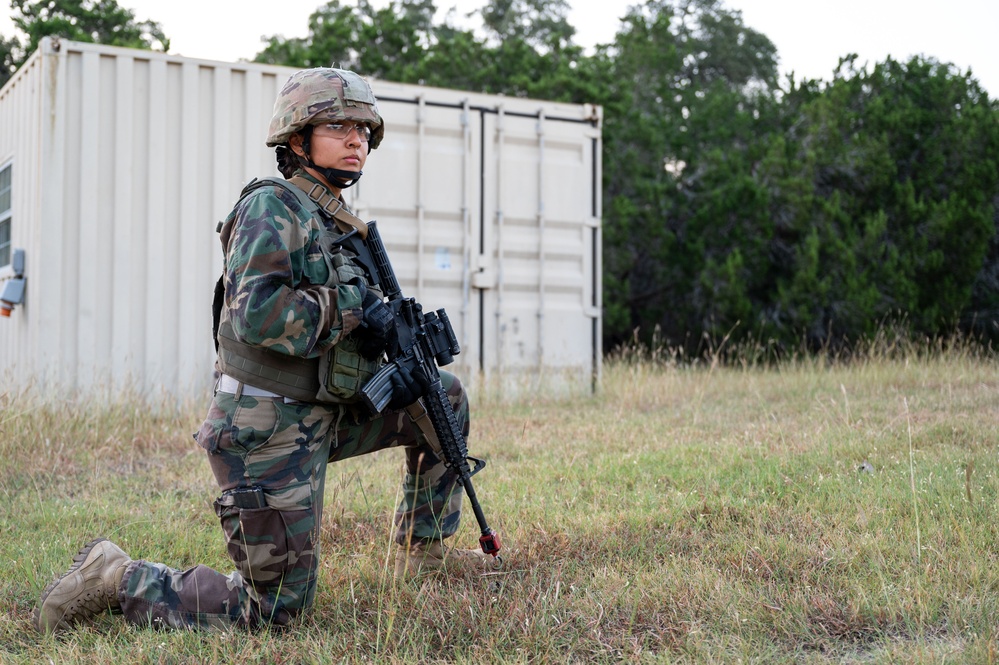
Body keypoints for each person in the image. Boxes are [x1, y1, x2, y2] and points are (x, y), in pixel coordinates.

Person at [35, 67, 490, 633]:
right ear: (297, 138)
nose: (357, 140)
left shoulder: (334, 220)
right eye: (339, 126)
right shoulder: (271, 206)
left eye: (365, 131)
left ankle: (424, 547)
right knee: (272, 613)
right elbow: (258, 315)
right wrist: (355, 307)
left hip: (323, 409)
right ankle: (116, 576)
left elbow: (339, 320)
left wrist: (390, 332)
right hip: (265, 425)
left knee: (441, 399)